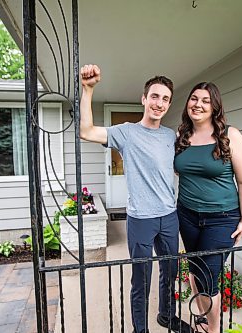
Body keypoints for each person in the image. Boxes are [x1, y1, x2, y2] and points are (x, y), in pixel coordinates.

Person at [79, 64, 192, 333]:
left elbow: (177, 167)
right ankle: (140, 329)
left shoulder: (170, 136)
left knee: (171, 272)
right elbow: (86, 131)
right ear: (144, 99)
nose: (160, 103)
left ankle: (166, 315)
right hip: (141, 218)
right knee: (141, 279)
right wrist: (88, 89)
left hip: (169, 216)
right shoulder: (126, 132)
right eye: (155, 96)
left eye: (165, 99)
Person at [174, 82, 242, 333]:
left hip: (222, 218)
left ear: (215, 106)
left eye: (205, 100)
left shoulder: (230, 135)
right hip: (186, 214)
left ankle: (213, 328)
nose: (198, 104)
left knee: (208, 277)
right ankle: (203, 318)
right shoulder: (182, 137)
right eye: (194, 99)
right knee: (196, 272)